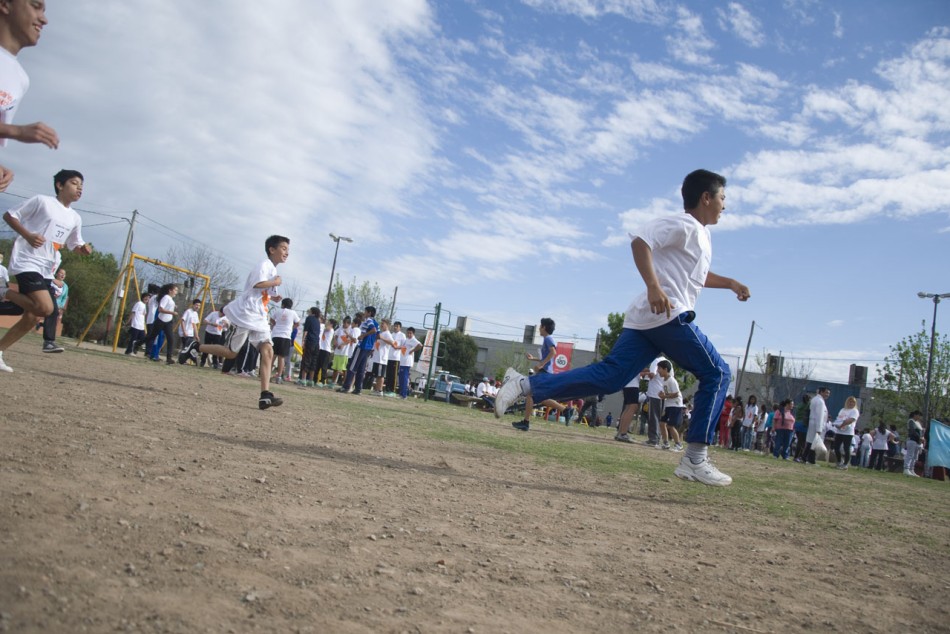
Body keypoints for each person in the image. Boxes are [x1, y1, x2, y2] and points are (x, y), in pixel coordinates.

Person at [495, 169, 750, 486]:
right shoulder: (684, 224)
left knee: (610, 377)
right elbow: (641, 241)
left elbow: (697, 276)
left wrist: (730, 283)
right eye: (723, 198)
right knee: (718, 373)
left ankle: (523, 385)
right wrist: (654, 286)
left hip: (647, 320)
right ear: (706, 198)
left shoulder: (702, 236)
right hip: (667, 314)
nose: (725, 205)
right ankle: (695, 459)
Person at [181, 235, 288, 410]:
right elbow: (257, 284)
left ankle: (265, 395)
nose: (286, 252)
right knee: (231, 353)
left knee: (268, 350)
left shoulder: (272, 269)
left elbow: (263, 290)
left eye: (287, 249)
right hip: (246, 313)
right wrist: (275, 282)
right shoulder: (264, 265)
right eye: (283, 248)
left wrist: (273, 296)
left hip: (260, 315)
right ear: (272, 249)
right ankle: (195, 346)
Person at [0, 169, 91, 372]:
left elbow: (74, 244)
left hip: (47, 268)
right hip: (27, 260)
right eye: (74, 183)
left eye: (81, 185)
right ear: (60, 185)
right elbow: (9, 215)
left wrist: (83, 249)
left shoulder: (75, 218)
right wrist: (28, 235)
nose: (79, 188)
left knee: (33, 316)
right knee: (45, 308)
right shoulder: (42, 201)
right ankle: (4, 291)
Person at [0, 0, 60, 193]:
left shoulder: (21, 78)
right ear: (5, 5)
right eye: (35, 6)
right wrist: (17, 131)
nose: (44, 19)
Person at [509, 318, 568, 430]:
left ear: (544, 327)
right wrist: (534, 359)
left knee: (530, 395)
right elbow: (547, 356)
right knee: (541, 398)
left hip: (544, 372)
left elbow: (553, 352)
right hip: (546, 372)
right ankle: (565, 410)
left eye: (540, 326)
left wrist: (541, 365)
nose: (539, 329)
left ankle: (526, 423)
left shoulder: (548, 339)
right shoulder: (547, 339)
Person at [338, 306, 378, 395]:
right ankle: (358, 389)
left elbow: (373, 330)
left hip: (362, 346)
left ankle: (346, 386)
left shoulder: (368, 320)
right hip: (368, 348)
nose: (364, 313)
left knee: (352, 366)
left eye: (365, 311)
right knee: (361, 369)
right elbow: (377, 334)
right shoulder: (376, 322)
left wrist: (363, 336)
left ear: (369, 313)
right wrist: (371, 343)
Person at [144, 283, 180, 364]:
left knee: (170, 339)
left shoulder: (170, 299)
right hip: (160, 320)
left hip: (168, 321)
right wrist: (172, 312)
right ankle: (138, 344)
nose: (176, 292)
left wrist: (174, 306)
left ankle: (169, 358)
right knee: (152, 336)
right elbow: (160, 309)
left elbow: (167, 305)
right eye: (175, 290)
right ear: (170, 290)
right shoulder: (165, 297)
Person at [269, 297, 299, 384]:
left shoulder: (278, 311)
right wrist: (291, 327)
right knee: (281, 357)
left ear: (283, 304)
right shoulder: (293, 313)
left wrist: (275, 324)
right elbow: (297, 323)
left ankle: (267, 373)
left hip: (276, 335)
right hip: (286, 336)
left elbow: (271, 319)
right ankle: (279, 376)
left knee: (273, 356)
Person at [657, 359, 684, 451]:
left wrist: (665, 396)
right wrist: (662, 395)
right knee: (662, 423)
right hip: (668, 405)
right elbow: (666, 393)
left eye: (659, 368)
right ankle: (665, 443)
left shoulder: (672, 380)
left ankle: (678, 444)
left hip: (675, 406)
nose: (658, 371)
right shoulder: (664, 380)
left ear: (665, 369)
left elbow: (676, 394)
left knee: (670, 426)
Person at [39, 266, 67, 352]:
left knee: (54, 318)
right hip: (46, 301)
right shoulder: (50, 280)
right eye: (61, 273)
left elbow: (64, 297)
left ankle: (49, 342)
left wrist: (61, 306)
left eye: (64, 274)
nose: (62, 275)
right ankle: (48, 341)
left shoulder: (65, 286)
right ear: (57, 273)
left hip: (57, 305)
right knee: (31, 317)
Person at [613, 372, 644, 443]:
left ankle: (620, 432)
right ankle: (623, 433)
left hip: (627, 383)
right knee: (633, 407)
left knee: (627, 408)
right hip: (632, 385)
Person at [832, 396, 860, 470]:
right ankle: (839, 461)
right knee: (836, 447)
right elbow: (838, 418)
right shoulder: (843, 410)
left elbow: (850, 420)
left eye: (853, 402)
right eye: (850, 402)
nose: (851, 403)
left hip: (848, 432)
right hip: (839, 431)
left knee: (846, 448)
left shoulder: (855, 411)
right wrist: (837, 424)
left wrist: (841, 425)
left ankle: (845, 464)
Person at [804, 386, 830, 465]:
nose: (827, 395)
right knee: (814, 443)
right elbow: (820, 415)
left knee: (811, 442)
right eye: (826, 393)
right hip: (816, 424)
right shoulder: (820, 401)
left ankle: (805, 457)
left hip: (813, 423)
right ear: (821, 392)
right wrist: (819, 429)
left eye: (828, 393)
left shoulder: (815, 399)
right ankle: (810, 460)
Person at [124, 290, 151, 355]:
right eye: (146, 297)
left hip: (141, 325)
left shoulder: (144, 305)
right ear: (143, 297)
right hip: (136, 324)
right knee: (133, 338)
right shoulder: (139, 303)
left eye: (148, 298)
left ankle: (134, 349)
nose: (147, 299)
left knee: (142, 338)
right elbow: (133, 312)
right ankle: (129, 351)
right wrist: (128, 321)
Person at [398, 326, 422, 399]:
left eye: (410, 333)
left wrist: (412, 350)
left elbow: (420, 345)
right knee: (401, 378)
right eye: (408, 333)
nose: (409, 334)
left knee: (404, 378)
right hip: (402, 361)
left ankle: (404, 395)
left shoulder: (413, 340)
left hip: (407, 362)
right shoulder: (407, 339)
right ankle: (401, 393)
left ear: (413, 334)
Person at [176, 298, 201, 364]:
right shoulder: (188, 311)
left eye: (199, 305)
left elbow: (194, 325)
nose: (197, 307)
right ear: (193, 305)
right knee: (187, 347)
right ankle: (185, 359)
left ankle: (193, 359)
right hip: (185, 332)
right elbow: (182, 321)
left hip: (190, 333)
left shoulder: (195, 314)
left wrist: (196, 335)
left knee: (189, 347)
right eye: (196, 305)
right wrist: (184, 331)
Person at [904, 410, 925, 477]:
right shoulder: (911, 421)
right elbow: (913, 431)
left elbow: (920, 431)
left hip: (917, 442)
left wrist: (922, 437)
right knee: (910, 455)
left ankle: (911, 469)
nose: (919, 417)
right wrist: (919, 437)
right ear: (915, 415)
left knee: (915, 457)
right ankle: (906, 468)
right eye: (919, 415)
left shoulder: (918, 423)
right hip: (912, 440)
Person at [792, 394, 811, 463]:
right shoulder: (809, 404)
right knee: (802, 442)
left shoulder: (800, 405)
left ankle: (796, 456)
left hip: (797, 424)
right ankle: (797, 457)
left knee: (799, 441)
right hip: (804, 424)